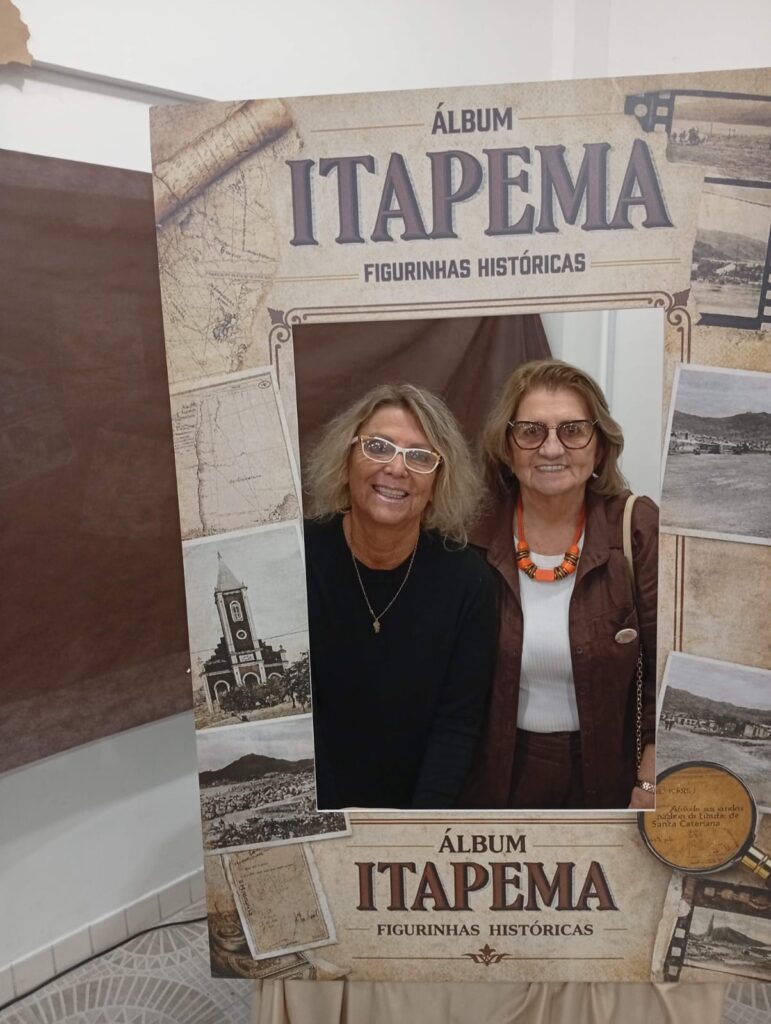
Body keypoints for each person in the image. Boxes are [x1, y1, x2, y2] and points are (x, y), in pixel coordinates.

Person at [464, 359, 657, 810]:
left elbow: (664, 675)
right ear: (507, 448)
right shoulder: (470, 535)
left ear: (600, 446)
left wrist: (650, 783)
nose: (551, 448)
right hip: (494, 777)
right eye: (531, 431)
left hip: (613, 777)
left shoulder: (636, 527)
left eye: (573, 430)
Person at [303, 383, 496, 809]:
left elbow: (457, 727)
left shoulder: (470, 583)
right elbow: (293, 715)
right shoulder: (295, 560)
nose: (396, 468)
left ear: (439, 481)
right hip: (310, 810)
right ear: (346, 461)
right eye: (378, 447)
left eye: (420, 456)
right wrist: (327, 824)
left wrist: (415, 831)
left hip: (418, 816)